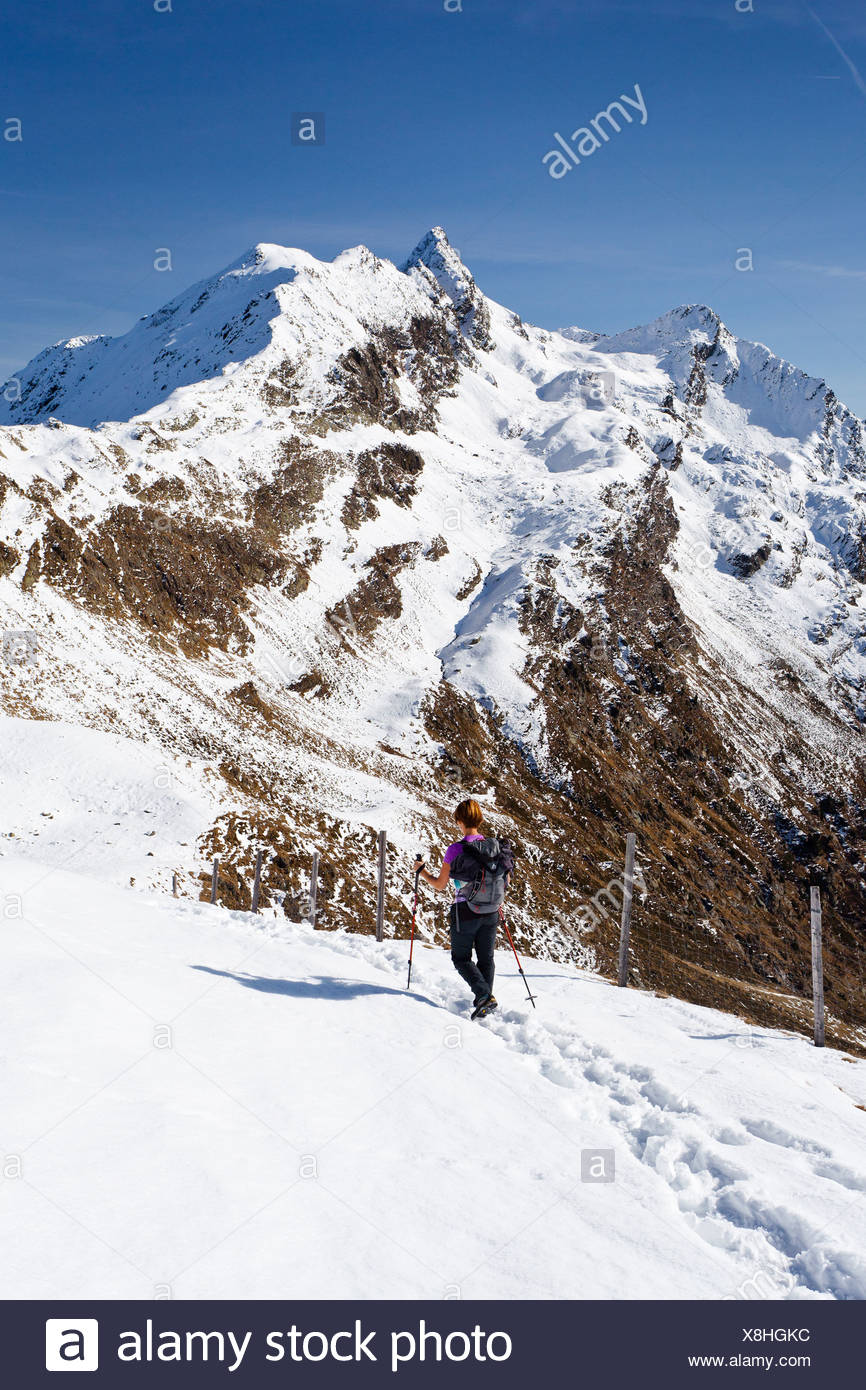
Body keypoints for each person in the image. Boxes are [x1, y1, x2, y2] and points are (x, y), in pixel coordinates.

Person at [413, 798, 500, 1019]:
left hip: (465, 911)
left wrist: (421, 872)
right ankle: (484, 1002)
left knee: (461, 958)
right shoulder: (495, 847)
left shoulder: (455, 850)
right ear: (479, 820)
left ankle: (484, 997)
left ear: (460, 821)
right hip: (491, 910)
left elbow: (440, 885)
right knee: (486, 959)